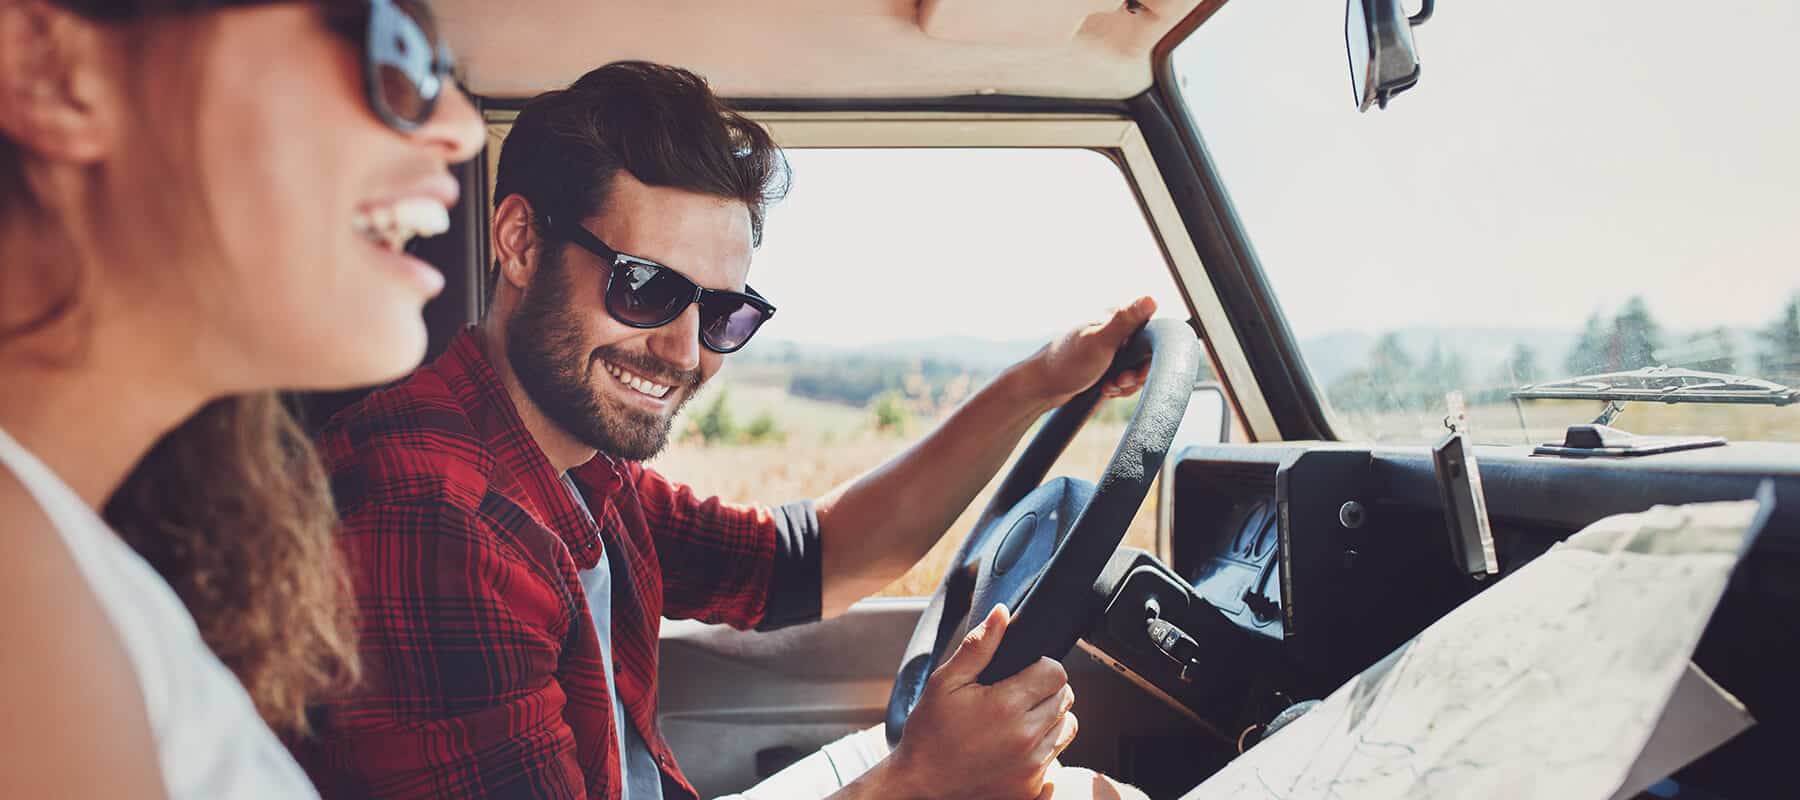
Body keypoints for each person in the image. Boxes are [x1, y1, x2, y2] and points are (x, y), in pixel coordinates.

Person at [302, 60, 1150, 800]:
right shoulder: (434, 519)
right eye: (644, 288)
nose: (685, 353)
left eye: (721, 313)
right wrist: (918, 780)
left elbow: (812, 561)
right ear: (521, 243)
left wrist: (1038, 384)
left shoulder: (579, 468)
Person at [0, 0, 484, 796]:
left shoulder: (75, 563)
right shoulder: (20, 602)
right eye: (392, 42)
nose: (461, 127)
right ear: (52, 73)